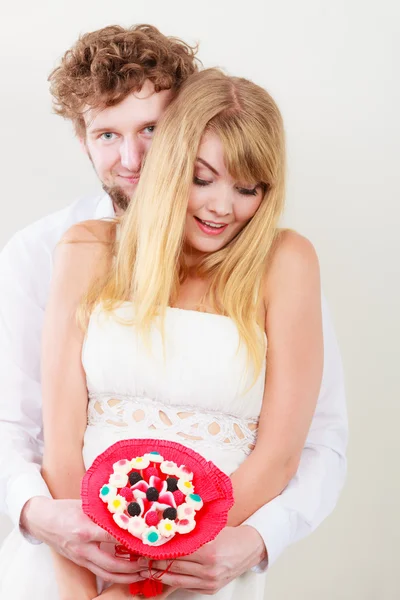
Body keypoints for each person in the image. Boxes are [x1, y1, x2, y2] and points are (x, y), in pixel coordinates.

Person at [0, 25, 347, 599]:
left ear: (183, 127)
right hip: (68, 549)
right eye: (107, 133)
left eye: (151, 131)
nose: (132, 158)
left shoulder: (279, 263)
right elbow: (27, 431)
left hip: (205, 561)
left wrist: (254, 538)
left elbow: (311, 445)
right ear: (82, 138)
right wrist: (66, 549)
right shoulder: (62, 250)